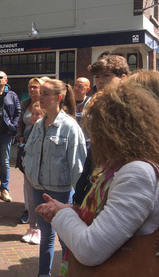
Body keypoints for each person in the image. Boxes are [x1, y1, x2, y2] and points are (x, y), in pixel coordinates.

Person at [36, 80, 159, 276]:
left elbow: (90, 249)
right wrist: (65, 208)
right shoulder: (119, 165)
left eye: (95, 124)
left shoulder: (138, 173)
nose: (91, 134)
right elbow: (107, 215)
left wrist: (60, 215)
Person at [24, 79, 86, 277]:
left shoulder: (70, 127)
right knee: (46, 238)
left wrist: (79, 201)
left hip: (60, 192)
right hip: (37, 189)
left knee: (65, 239)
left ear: (58, 98)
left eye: (45, 94)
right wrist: (30, 174)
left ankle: (71, 272)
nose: (40, 97)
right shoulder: (38, 125)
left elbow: (78, 166)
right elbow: (30, 154)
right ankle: (44, 274)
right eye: (40, 92)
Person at [72, 55, 130, 209]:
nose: (100, 81)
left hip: (121, 175)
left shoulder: (131, 106)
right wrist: (78, 196)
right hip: (98, 168)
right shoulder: (98, 104)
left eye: (106, 75)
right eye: (97, 76)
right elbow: (94, 147)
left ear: (122, 78)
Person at [16, 77, 45, 224]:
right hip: (25, 142)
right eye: (30, 87)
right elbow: (19, 123)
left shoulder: (44, 104)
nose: (32, 90)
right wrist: (20, 137)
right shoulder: (24, 104)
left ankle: (38, 210)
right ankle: (27, 210)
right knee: (26, 177)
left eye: (35, 87)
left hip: (40, 142)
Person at [0, 71, 21, 203]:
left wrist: (12, 127)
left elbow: (18, 112)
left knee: (5, 162)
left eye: (0, 77)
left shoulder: (12, 95)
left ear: (6, 80)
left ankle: (4, 189)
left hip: (5, 134)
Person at [20, 101, 44, 245]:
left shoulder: (44, 130)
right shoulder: (29, 131)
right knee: (30, 200)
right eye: (33, 114)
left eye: (38, 114)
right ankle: (31, 227)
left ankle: (39, 229)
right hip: (28, 170)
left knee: (39, 199)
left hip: (40, 171)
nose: (34, 117)